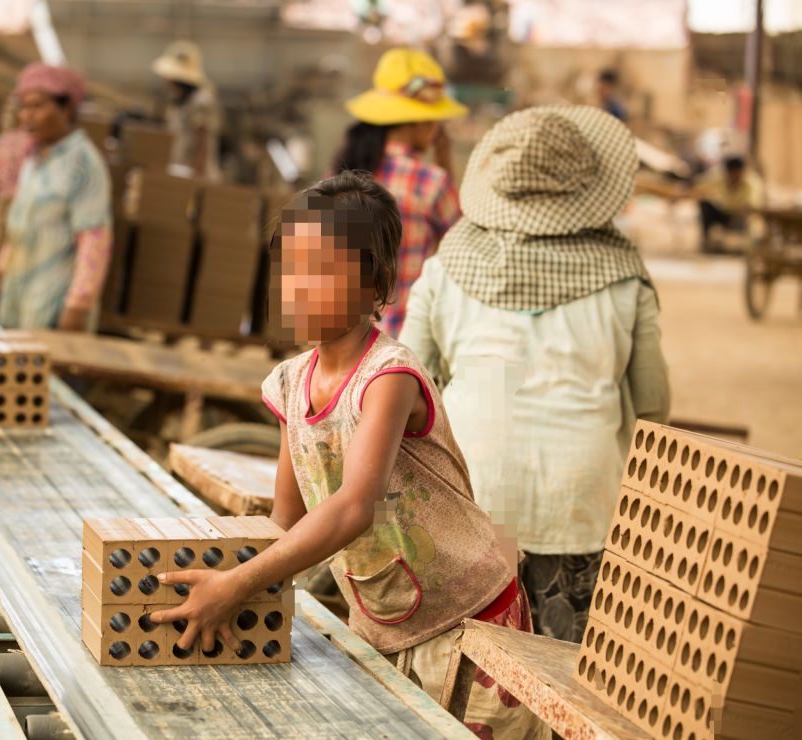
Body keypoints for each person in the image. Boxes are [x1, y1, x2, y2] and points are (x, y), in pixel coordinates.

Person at [150, 171, 546, 739]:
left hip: (468, 620)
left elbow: (355, 505)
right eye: (289, 269)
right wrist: (227, 579)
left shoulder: (389, 377)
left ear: (376, 284)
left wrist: (237, 587)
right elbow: (284, 521)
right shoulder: (290, 383)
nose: (299, 288)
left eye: (323, 271)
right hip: (381, 620)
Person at [398, 106, 670, 643]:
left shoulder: (448, 264)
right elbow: (654, 405)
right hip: (581, 501)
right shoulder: (624, 275)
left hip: (471, 500)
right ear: (589, 187)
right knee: (568, 668)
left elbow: (407, 384)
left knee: (476, 679)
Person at [336, 48, 466, 338]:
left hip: (340, 340)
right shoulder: (431, 182)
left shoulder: (341, 175)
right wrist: (444, 160)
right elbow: (462, 249)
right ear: (420, 121)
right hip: (401, 341)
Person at [0, 63, 113, 332]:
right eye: (23, 107)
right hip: (18, 297)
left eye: (37, 106)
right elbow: (19, 228)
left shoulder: (82, 162)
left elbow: (94, 238)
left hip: (53, 305)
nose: (26, 116)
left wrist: (77, 306)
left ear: (66, 109)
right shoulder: (34, 159)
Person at [152, 41, 221, 181]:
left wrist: (195, 178)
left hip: (198, 177)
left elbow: (203, 142)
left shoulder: (201, 102)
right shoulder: (179, 104)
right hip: (181, 172)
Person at [692, 155, 762, 250]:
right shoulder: (719, 178)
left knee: (747, 218)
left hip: (740, 216)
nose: (734, 176)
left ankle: (745, 247)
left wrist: (737, 216)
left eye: (737, 172)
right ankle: (706, 240)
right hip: (725, 212)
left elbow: (752, 206)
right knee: (705, 203)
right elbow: (698, 185)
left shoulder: (751, 183)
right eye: (731, 173)